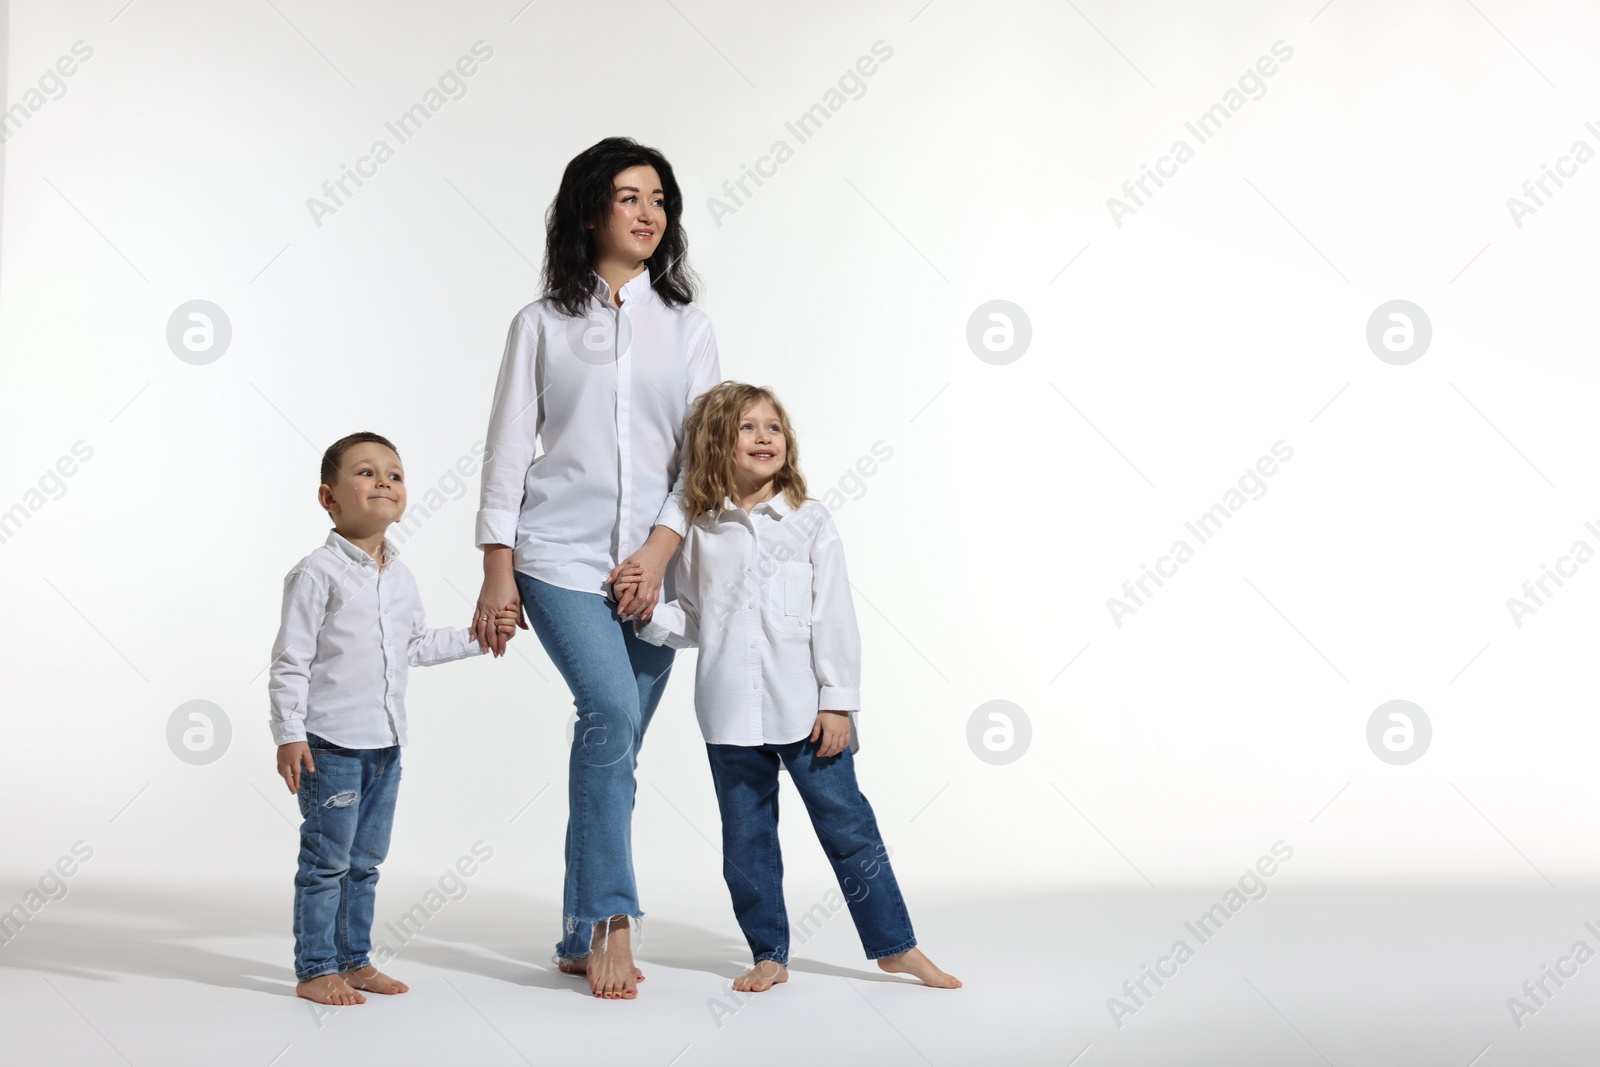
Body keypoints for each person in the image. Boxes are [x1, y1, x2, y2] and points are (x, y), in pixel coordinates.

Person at [472, 137, 721, 999]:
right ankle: (613, 918)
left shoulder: (687, 328)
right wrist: (497, 570)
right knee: (609, 713)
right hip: (555, 557)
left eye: (659, 198)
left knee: (615, 747)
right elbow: (508, 452)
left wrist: (657, 553)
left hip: (651, 569)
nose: (649, 212)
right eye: (628, 196)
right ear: (590, 212)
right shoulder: (539, 324)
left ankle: (575, 931)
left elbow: (702, 459)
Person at [618, 382, 961, 992]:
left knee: (849, 828)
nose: (763, 437)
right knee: (747, 842)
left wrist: (838, 702)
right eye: (746, 428)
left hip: (806, 713)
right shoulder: (700, 530)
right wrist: (647, 614)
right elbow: (696, 618)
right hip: (727, 715)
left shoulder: (810, 522)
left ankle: (895, 946)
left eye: (773, 427)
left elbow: (835, 616)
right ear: (717, 446)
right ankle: (769, 953)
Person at [269, 431, 520, 1006]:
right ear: (328, 498)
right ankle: (315, 968)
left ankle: (354, 961)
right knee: (326, 862)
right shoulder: (317, 574)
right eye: (365, 472)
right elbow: (291, 662)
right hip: (330, 747)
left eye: (395, 474)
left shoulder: (400, 576)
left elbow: (415, 645)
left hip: (387, 745)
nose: (383, 481)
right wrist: (288, 735)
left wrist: (481, 636)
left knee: (365, 862)